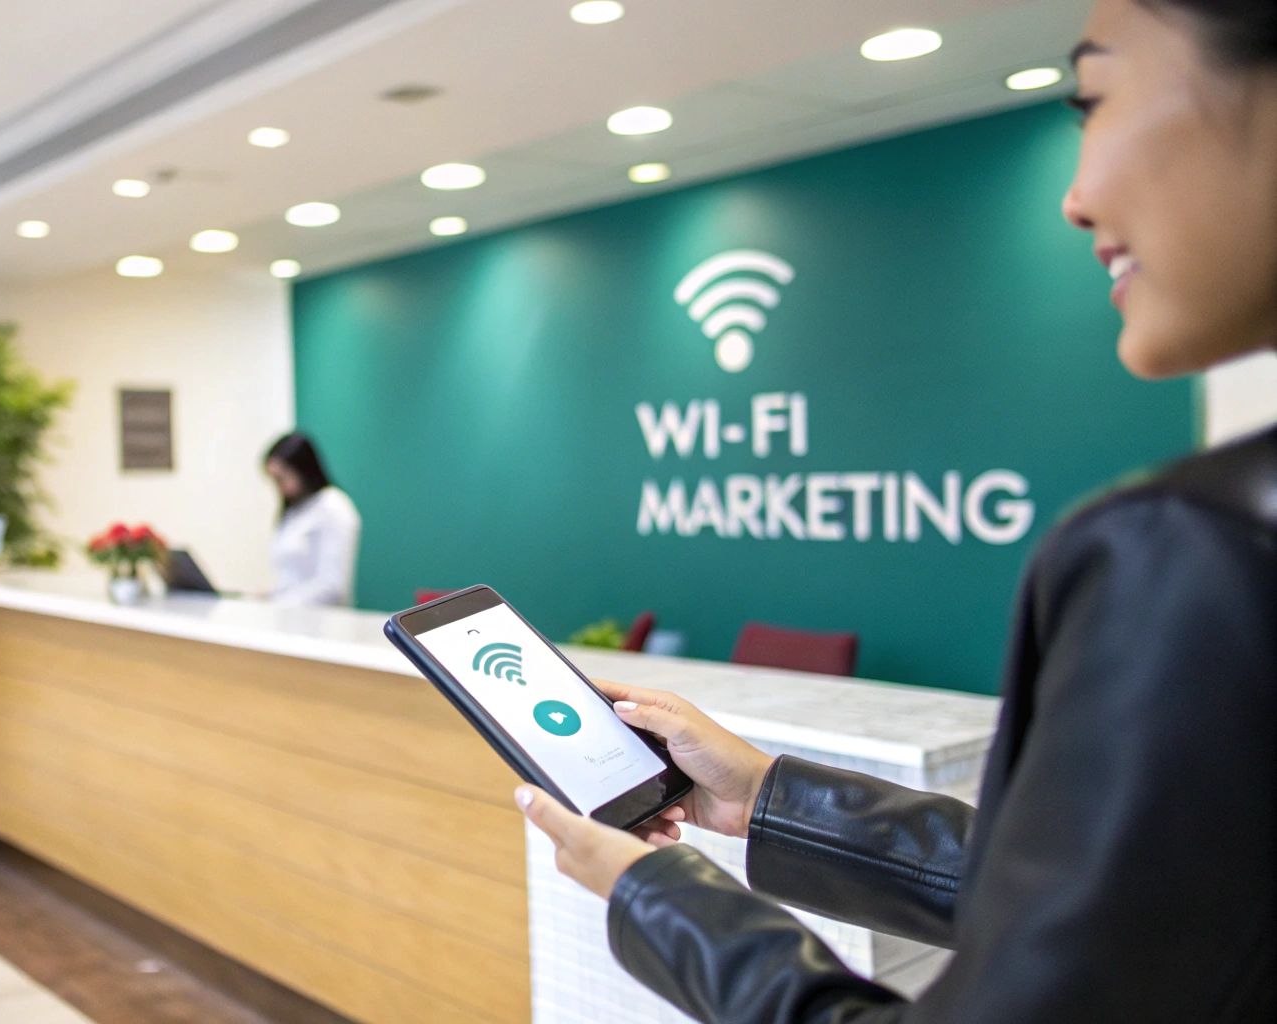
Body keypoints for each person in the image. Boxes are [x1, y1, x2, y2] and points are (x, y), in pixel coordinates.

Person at [516, 0, 1277, 1019]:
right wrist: (766, 796)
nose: (1075, 198)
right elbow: (1136, 911)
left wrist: (655, 897)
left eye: (1092, 101)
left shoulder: (1190, 549)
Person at [264, 432, 361, 607]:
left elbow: (332, 587)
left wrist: (280, 604)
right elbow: (290, 578)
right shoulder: (292, 511)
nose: (278, 487)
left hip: (321, 618)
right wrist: (271, 598)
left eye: (281, 478)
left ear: (302, 469)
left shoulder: (333, 507)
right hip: (288, 615)